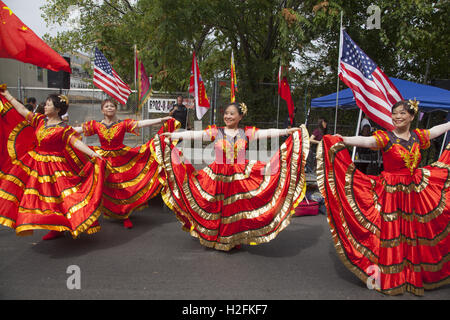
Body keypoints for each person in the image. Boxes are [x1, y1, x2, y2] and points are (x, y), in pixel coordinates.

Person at [317, 99, 450, 296]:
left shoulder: (418, 137)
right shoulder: (385, 138)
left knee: (411, 233)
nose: (398, 116)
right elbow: (366, 141)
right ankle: (389, 276)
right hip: (390, 194)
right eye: (395, 113)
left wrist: (449, 124)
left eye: (403, 113)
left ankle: (409, 276)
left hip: (413, 192)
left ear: (412, 117)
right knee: (391, 233)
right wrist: (342, 138)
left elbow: (437, 130)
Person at [155, 102, 309, 251]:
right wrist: (175, 134)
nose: (228, 116)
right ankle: (215, 237)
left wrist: (286, 132)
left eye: (232, 114)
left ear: (240, 116)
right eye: (226, 113)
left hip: (239, 176)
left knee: (235, 209)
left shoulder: (246, 132)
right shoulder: (216, 131)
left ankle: (232, 239)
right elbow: (197, 134)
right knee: (215, 207)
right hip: (217, 175)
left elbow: (267, 132)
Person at [0, 89, 106, 240]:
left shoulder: (64, 129)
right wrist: (7, 95)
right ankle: (53, 226)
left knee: (62, 197)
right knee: (36, 197)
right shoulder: (39, 120)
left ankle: (69, 222)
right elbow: (22, 110)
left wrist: (93, 154)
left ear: (57, 109)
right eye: (46, 104)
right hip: (35, 163)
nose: (45, 106)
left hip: (56, 167)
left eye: (49, 104)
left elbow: (76, 143)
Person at [73, 98, 178, 229]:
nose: (110, 108)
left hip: (121, 159)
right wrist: (61, 131)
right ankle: (94, 214)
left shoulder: (123, 124)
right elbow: (77, 130)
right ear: (102, 110)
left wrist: (161, 120)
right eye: (107, 106)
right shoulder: (96, 125)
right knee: (101, 187)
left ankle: (124, 215)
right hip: (102, 160)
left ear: (116, 109)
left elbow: (141, 123)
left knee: (122, 188)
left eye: (112, 106)